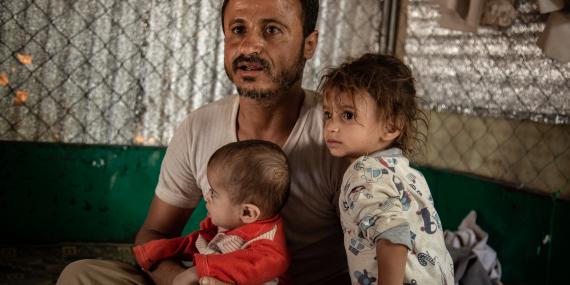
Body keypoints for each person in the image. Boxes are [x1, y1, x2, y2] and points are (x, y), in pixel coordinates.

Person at [57, 0, 350, 284]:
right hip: (206, 278)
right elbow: (155, 233)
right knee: (82, 275)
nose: (249, 46)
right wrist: (181, 279)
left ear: (309, 44)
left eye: (271, 30)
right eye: (237, 29)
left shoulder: (340, 134)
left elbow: (376, 252)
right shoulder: (199, 127)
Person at [319, 53, 454, 285]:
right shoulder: (410, 174)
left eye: (347, 115)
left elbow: (394, 235)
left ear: (390, 126)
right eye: (328, 114)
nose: (331, 127)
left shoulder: (363, 172)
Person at [133, 140, 291, 285]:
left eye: (214, 193)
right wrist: (158, 250)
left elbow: (256, 264)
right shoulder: (226, 225)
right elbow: (193, 242)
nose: (206, 196)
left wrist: (198, 271)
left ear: (247, 212)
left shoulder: (269, 246)